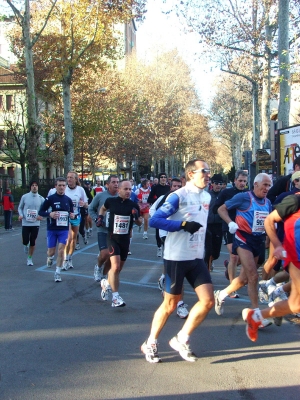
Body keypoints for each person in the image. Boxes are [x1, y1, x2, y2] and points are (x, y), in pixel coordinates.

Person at [141, 159, 214, 363]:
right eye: (204, 171)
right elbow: (155, 220)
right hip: (176, 257)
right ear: (191, 174)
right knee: (170, 305)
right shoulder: (178, 196)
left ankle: (181, 338)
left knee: (208, 301)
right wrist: (182, 224)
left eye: (209, 171)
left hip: (195, 257)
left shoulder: (207, 196)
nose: (208, 175)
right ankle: (151, 342)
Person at [214, 173, 272, 326]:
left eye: (269, 185)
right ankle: (256, 314)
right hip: (243, 239)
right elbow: (221, 209)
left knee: (243, 279)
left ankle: (221, 294)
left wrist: (268, 238)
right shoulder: (244, 197)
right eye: (264, 185)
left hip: (257, 240)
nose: (267, 188)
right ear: (256, 184)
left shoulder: (268, 202)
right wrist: (230, 223)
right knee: (253, 276)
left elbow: (268, 222)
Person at [242, 192, 300, 341]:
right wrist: (278, 246)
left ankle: (256, 316)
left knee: (296, 305)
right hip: (295, 255)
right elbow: (269, 220)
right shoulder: (294, 200)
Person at [98, 179, 143, 307]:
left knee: (118, 269)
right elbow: (102, 208)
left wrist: (136, 217)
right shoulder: (111, 201)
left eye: (130, 189)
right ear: (119, 190)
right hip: (112, 238)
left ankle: (106, 283)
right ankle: (115, 297)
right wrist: (100, 217)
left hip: (125, 239)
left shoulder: (133, 205)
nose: (128, 191)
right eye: (125, 189)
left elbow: (140, 222)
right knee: (116, 266)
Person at [149, 178, 188, 319]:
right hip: (167, 235)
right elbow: (152, 212)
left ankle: (165, 278)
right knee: (178, 267)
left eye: (179, 185)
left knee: (176, 267)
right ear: (170, 187)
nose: (177, 188)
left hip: (183, 237)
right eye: (175, 186)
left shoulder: (185, 198)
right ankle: (179, 303)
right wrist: (165, 224)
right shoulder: (164, 198)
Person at [213, 170, 248, 297]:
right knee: (234, 256)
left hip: (244, 228)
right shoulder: (226, 192)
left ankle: (230, 268)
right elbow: (216, 208)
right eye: (240, 181)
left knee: (242, 257)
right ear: (234, 181)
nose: (242, 183)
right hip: (229, 227)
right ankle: (232, 288)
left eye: (244, 181)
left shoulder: (248, 194)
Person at [38, 177, 75, 282]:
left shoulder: (68, 200)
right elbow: (41, 212)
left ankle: (57, 272)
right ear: (55, 186)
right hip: (52, 229)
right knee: (51, 252)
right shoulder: (50, 199)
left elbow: (71, 213)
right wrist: (50, 214)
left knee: (61, 250)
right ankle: (49, 257)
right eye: (59, 185)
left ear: (66, 187)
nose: (62, 187)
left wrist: (72, 215)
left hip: (64, 229)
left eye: (64, 185)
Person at [88, 175, 119, 282]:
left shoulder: (121, 196)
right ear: (108, 184)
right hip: (103, 229)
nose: (116, 184)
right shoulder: (100, 196)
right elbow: (90, 208)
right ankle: (98, 267)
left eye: (117, 182)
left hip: (116, 230)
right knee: (105, 253)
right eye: (113, 182)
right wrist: (97, 219)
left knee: (113, 256)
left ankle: (105, 274)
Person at [62, 171, 88, 270]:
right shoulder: (64, 189)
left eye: (71, 178)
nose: (69, 179)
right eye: (68, 177)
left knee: (73, 239)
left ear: (76, 179)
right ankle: (65, 260)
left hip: (76, 216)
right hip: (66, 217)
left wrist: (83, 204)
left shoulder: (80, 190)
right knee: (68, 238)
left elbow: (86, 203)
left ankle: (70, 258)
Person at [18, 180, 45, 266]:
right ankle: (26, 244)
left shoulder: (41, 198)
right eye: (33, 185)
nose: (34, 187)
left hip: (35, 223)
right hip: (26, 222)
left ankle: (29, 258)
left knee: (33, 241)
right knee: (25, 240)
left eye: (36, 185)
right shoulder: (25, 197)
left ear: (38, 187)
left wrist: (41, 216)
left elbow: (45, 210)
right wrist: (21, 215)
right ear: (30, 187)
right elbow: (20, 207)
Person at [204, 173, 224, 272]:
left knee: (216, 253)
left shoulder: (224, 195)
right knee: (208, 250)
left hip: (219, 225)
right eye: (216, 183)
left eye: (220, 184)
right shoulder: (207, 195)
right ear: (212, 183)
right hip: (208, 225)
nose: (218, 185)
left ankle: (212, 260)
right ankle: (206, 273)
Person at [147, 172, 170, 250]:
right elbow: (149, 199)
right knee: (158, 230)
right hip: (158, 210)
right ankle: (159, 246)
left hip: (167, 211)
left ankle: (165, 246)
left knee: (166, 230)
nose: (163, 178)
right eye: (161, 177)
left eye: (164, 177)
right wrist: (158, 200)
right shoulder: (155, 188)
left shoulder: (168, 187)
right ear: (159, 179)